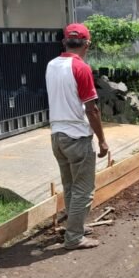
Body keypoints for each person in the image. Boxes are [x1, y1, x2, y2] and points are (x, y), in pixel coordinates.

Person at [46, 23, 109, 250]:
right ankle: (74, 237)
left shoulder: (51, 65)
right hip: (77, 136)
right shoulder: (81, 68)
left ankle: (75, 226)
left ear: (64, 42)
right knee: (84, 190)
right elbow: (92, 110)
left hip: (57, 135)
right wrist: (102, 140)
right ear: (87, 44)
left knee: (70, 186)